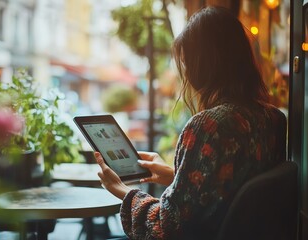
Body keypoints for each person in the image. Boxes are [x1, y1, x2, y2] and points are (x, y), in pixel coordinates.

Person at [95, 6, 287, 239]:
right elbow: (230, 190)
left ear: (202, 66)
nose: (185, 73)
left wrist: (123, 191)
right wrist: (176, 175)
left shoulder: (209, 126)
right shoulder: (273, 118)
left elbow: (167, 228)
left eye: (186, 63)